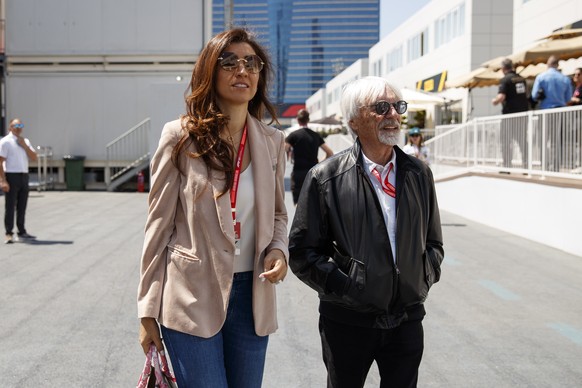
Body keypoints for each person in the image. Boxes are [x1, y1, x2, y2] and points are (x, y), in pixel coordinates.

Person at [137, 28, 289, 388]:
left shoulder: (272, 141)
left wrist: (279, 251)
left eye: (252, 62)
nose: (243, 70)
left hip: (253, 296)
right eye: (230, 61)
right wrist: (147, 311)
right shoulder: (180, 136)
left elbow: (279, 214)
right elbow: (157, 226)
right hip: (192, 296)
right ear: (210, 71)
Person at [289, 76, 444, 388]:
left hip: (407, 317)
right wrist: (346, 286)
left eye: (397, 106)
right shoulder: (325, 178)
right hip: (348, 321)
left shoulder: (418, 173)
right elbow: (303, 253)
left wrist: (423, 276)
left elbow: (434, 242)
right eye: (381, 107)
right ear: (354, 121)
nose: (393, 115)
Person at [532, 56, 574, 171]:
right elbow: (568, 98)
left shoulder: (541, 77)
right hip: (560, 111)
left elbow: (534, 95)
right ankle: (555, 166)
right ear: (557, 65)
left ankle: (545, 165)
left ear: (547, 64)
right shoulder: (565, 79)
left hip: (545, 111)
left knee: (543, 138)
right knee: (557, 139)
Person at [0, 118, 38, 244]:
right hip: (11, 175)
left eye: (20, 125)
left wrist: (25, 146)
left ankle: (21, 231)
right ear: (10, 127)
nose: (18, 127)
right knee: (10, 205)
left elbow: (34, 158)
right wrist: (3, 180)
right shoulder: (5, 142)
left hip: (24, 175)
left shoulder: (25, 141)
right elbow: (0, 162)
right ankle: (9, 233)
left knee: (22, 205)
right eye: (15, 125)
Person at [285, 109, 333, 204]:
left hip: (298, 172)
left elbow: (284, 149)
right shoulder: (315, 135)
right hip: (314, 173)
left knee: (298, 204)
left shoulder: (293, 136)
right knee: (313, 202)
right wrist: (319, 163)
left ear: (298, 120)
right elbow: (329, 152)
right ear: (308, 120)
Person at [491, 58, 529, 169]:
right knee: (522, 141)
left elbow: (501, 96)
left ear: (503, 68)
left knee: (506, 141)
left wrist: (494, 101)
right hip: (522, 115)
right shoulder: (521, 79)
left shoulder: (505, 80)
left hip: (510, 115)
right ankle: (526, 166)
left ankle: (507, 166)